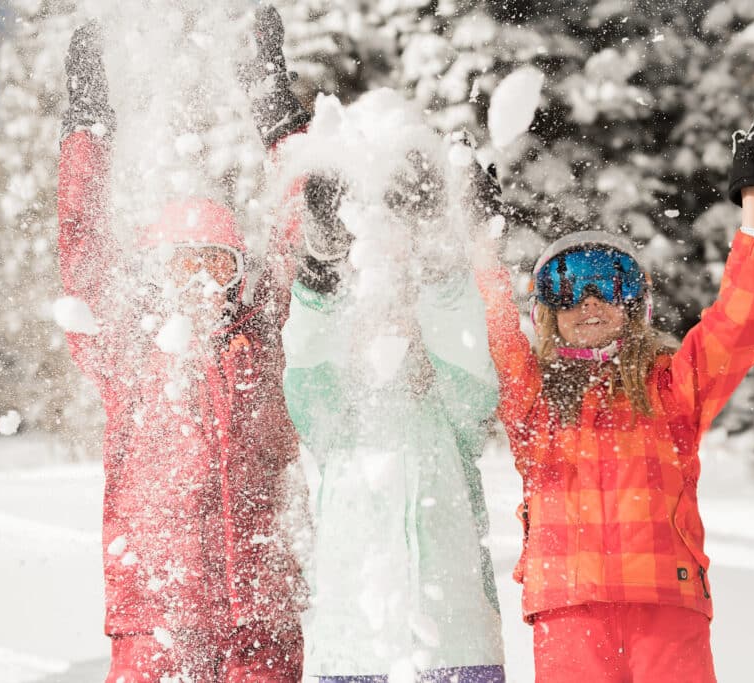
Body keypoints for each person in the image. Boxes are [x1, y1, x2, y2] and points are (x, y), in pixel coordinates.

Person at [470, 88, 754, 682]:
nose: (588, 303)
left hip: (664, 600)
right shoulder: (534, 396)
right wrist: (479, 237)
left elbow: (743, 323)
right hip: (567, 608)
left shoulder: (671, 385)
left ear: (633, 303)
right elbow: (489, 326)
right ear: (547, 313)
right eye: (567, 292)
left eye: (605, 286)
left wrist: (752, 199)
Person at [242, 8, 506, 681]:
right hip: (350, 652)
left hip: (455, 647)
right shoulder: (336, 418)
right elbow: (308, 354)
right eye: (374, 316)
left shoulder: (454, 414)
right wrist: (324, 267)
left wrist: (443, 259)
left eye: (403, 316)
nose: (391, 329)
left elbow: (465, 342)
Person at [57, 22, 307, 683]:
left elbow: (306, 234)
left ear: (236, 274)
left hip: (264, 615)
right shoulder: (127, 354)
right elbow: (81, 246)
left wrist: (279, 114)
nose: (198, 280)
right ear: (153, 275)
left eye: (214, 263)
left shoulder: (268, 342)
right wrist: (86, 124)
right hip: (158, 615)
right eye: (180, 265)